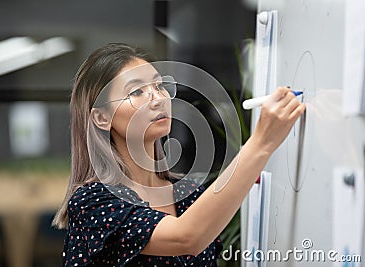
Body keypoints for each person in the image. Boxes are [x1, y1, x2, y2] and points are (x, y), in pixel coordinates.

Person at [52, 42, 306, 267]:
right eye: (137, 91)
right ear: (101, 117)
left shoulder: (188, 193)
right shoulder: (92, 202)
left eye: (159, 86)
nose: (158, 98)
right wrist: (261, 142)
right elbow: (187, 237)